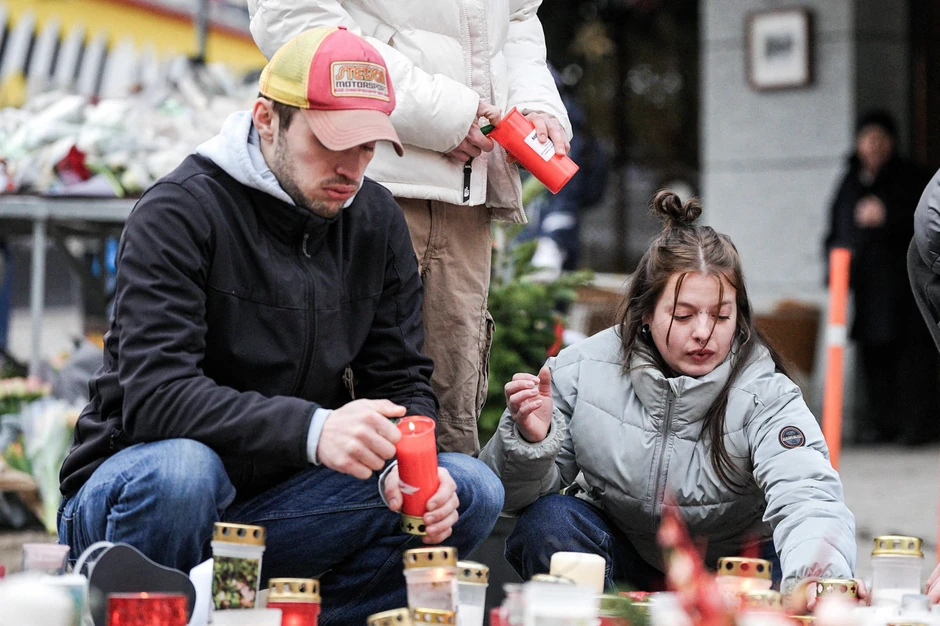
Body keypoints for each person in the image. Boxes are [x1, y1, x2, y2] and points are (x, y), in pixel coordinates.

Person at [57, 27, 504, 624]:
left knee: (468, 489)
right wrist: (314, 430)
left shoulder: (373, 219)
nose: (352, 168)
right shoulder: (179, 210)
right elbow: (155, 397)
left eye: (368, 146)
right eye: (331, 142)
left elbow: (400, 380)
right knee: (185, 472)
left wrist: (408, 464)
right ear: (267, 119)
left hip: (278, 509)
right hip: (140, 495)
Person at [479, 190, 857, 596]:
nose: (703, 332)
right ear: (646, 312)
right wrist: (531, 444)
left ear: (740, 317)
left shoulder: (767, 394)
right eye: (683, 315)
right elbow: (511, 500)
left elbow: (807, 494)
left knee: (801, 572)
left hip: (737, 576)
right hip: (630, 562)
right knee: (549, 521)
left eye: (721, 315)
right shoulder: (580, 370)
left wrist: (821, 583)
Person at [246, 0, 573, 454]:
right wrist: (446, 115)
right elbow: (294, 17)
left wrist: (534, 104)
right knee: (343, 417)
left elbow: (518, 16)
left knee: (449, 433)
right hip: (360, 179)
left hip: (465, 194)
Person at [824, 110, 937, 445]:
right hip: (867, 286)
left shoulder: (911, 176)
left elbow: (926, 222)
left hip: (905, 284)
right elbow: (836, 228)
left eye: (879, 139)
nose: (873, 146)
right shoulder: (849, 180)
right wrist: (835, 270)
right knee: (875, 357)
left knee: (912, 358)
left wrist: (886, 216)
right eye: (867, 139)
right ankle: (881, 425)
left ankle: (916, 427)